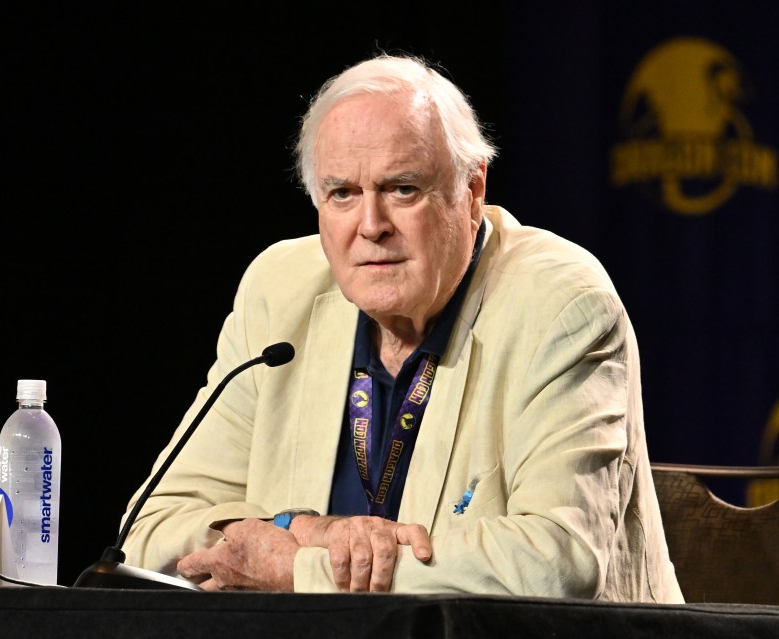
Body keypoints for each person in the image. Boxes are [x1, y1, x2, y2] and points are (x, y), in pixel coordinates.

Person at [121, 54, 683, 602]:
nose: (371, 226)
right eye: (342, 193)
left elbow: (560, 558)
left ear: (472, 190)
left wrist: (305, 571)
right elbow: (148, 531)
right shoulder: (280, 290)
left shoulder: (560, 305)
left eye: (402, 189)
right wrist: (305, 529)